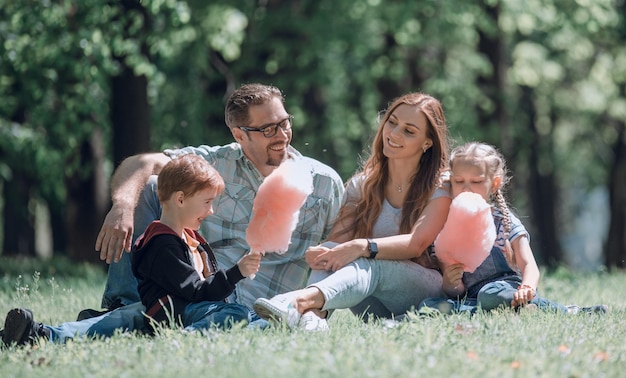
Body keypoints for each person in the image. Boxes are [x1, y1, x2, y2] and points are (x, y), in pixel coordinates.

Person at [0, 83, 344, 345]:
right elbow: (142, 163)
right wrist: (121, 206)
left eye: (285, 123)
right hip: (199, 290)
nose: (282, 135)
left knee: (143, 319)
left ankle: (127, 323)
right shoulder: (217, 163)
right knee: (150, 185)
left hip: (257, 306)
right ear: (240, 135)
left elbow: (337, 256)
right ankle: (42, 334)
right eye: (268, 129)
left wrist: (316, 304)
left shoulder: (324, 184)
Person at [1, 156, 260, 347]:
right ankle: (180, 342)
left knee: (114, 322)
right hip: (171, 314)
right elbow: (195, 291)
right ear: (180, 200)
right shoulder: (162, 244)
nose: (211, 211)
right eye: (207, 202)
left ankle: (38, 334)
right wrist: (237, 272)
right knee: (236, 314)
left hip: (167, 310)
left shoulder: (186, 238)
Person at [253, 91, 451, 331]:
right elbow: (338, 242)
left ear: (427, 142)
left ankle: (297, 302)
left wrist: (362, 246)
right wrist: (321, 253)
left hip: (425, 296)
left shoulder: (440, 186)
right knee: (331, 252)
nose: (394, 134)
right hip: (373, 305)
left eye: (409, 131)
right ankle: (314, 320)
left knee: (368, 260)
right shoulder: (363, 185)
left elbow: (417, 243)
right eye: (392, 122)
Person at [418, 142, 608, 315]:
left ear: (494, 184)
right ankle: (500, 313)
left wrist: (527, 287)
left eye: (476, 182)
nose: (466, 188)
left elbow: (529, 265)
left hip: (507, 289)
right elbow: (457, 290)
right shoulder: (446, 226)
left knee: (491, 295)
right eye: (459, 182)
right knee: (428, 306)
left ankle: (566, 311)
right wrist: (451, 283)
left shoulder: (504, 221)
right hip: (470, 297)